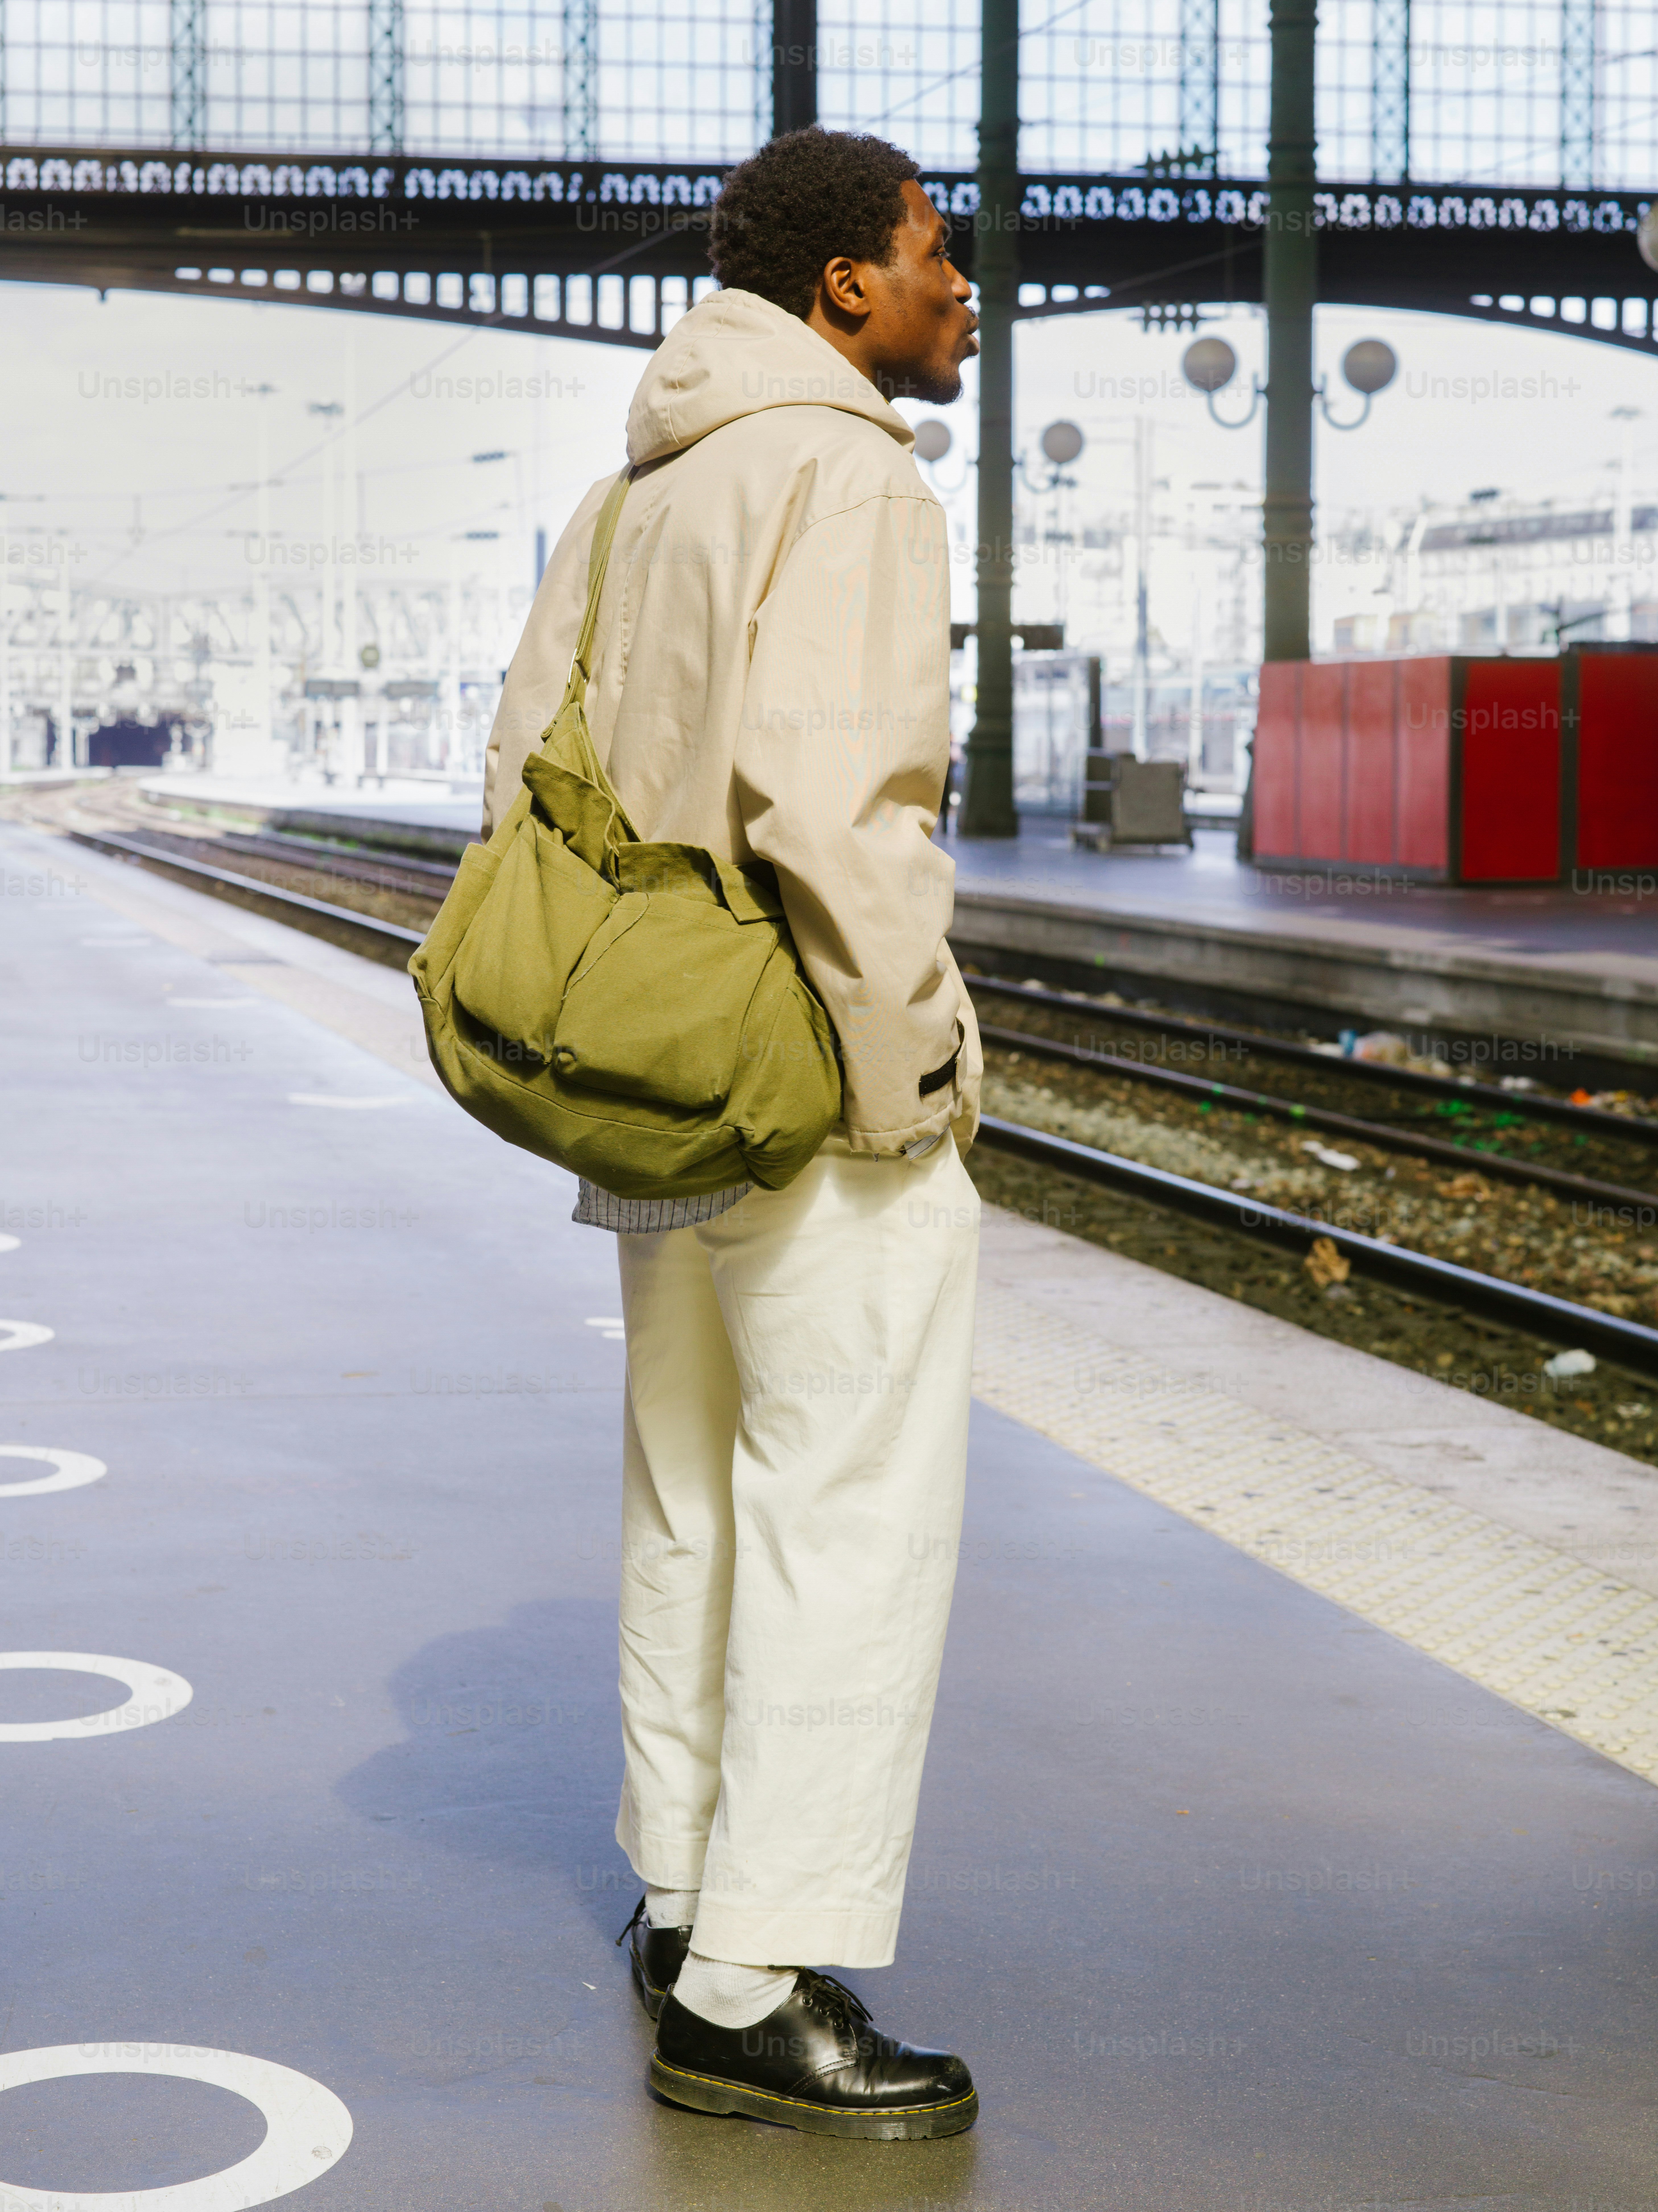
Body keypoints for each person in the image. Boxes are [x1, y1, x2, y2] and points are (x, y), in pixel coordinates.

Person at [481, 127, 984, 2142]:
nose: (964, 289)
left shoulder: (635, 487)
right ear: (846, 286)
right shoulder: (846, 472)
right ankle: (755, 1985)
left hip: (650, 1060)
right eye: (937, 251)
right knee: (844, 1503)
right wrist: (905, 1067)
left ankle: (684, 1891)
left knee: (685, 1481)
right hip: (801, 1068)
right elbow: (835, 806)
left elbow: (525, 762)